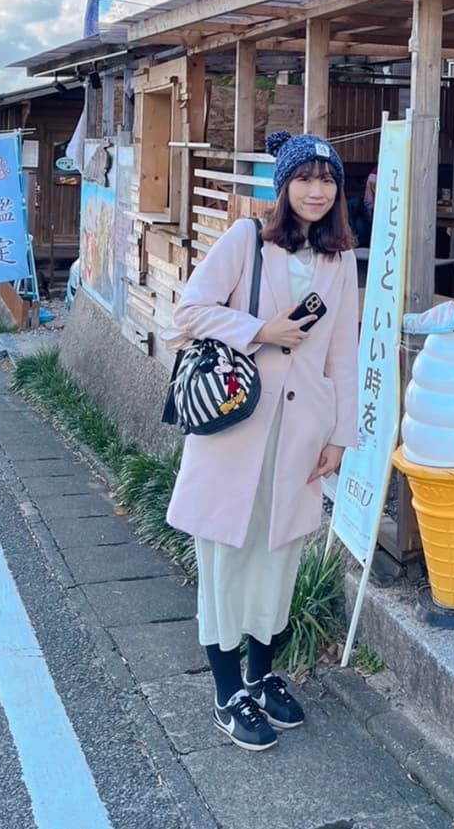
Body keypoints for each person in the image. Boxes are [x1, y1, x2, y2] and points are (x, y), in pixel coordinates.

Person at [165, 131, 359, 752]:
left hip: (302, 435)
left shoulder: (340, 260)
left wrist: (341, 436)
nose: (316, 190)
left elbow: (346, 355)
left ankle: (263, 675)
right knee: (226, 558)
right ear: (283, 186)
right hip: (235, 428)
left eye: (327, 179)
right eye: (304, 178)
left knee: (278, 560)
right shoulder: (247, 239)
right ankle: (228, 696)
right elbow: (188, 311)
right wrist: (260, 330)